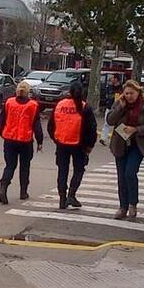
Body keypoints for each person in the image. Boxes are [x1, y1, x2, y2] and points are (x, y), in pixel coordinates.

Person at [106, 80, 144, 220]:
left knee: (130, 173)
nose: (129, 96)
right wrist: (120, 108)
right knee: (121, 177)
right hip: (120, 144)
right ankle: (122, 207)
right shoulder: (120, 104)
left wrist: (136, 129)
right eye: (126, 93)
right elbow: (110, 121)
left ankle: (132, 204)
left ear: (138, 92)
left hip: (137, 145)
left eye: (132, 93)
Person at [48, 81, 97, 209]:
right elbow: (92, 129)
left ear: (69, 92)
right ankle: (71, 194)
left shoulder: (60, 105)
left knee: (62, 171)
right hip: (79, 145)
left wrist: (56, 139)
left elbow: (51, 126)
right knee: (79, 170)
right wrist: (89, 146)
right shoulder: (85, 107)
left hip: (62, 143)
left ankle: (62, 198)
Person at [0, 81, 43, 204]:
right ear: (28, 92)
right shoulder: (33, 105)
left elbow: (1, 121)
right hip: (25, 141)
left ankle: (3, 188)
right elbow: (37, 126)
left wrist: (3, 133)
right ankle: (23, 192)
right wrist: (40, 141)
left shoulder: (9, 102)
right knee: (25, 167)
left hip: (10, 139)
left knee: (10, 165)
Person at [98, 75, 122, 145]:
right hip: (109, 107)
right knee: (106, 123)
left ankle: (123, 139)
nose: (111, 79)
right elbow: (107, 96)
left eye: (113, 78)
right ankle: (103, 138)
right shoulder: (109, 87)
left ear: (116, 79)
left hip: (119, 109)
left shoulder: (121, 88)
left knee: (120, 123)